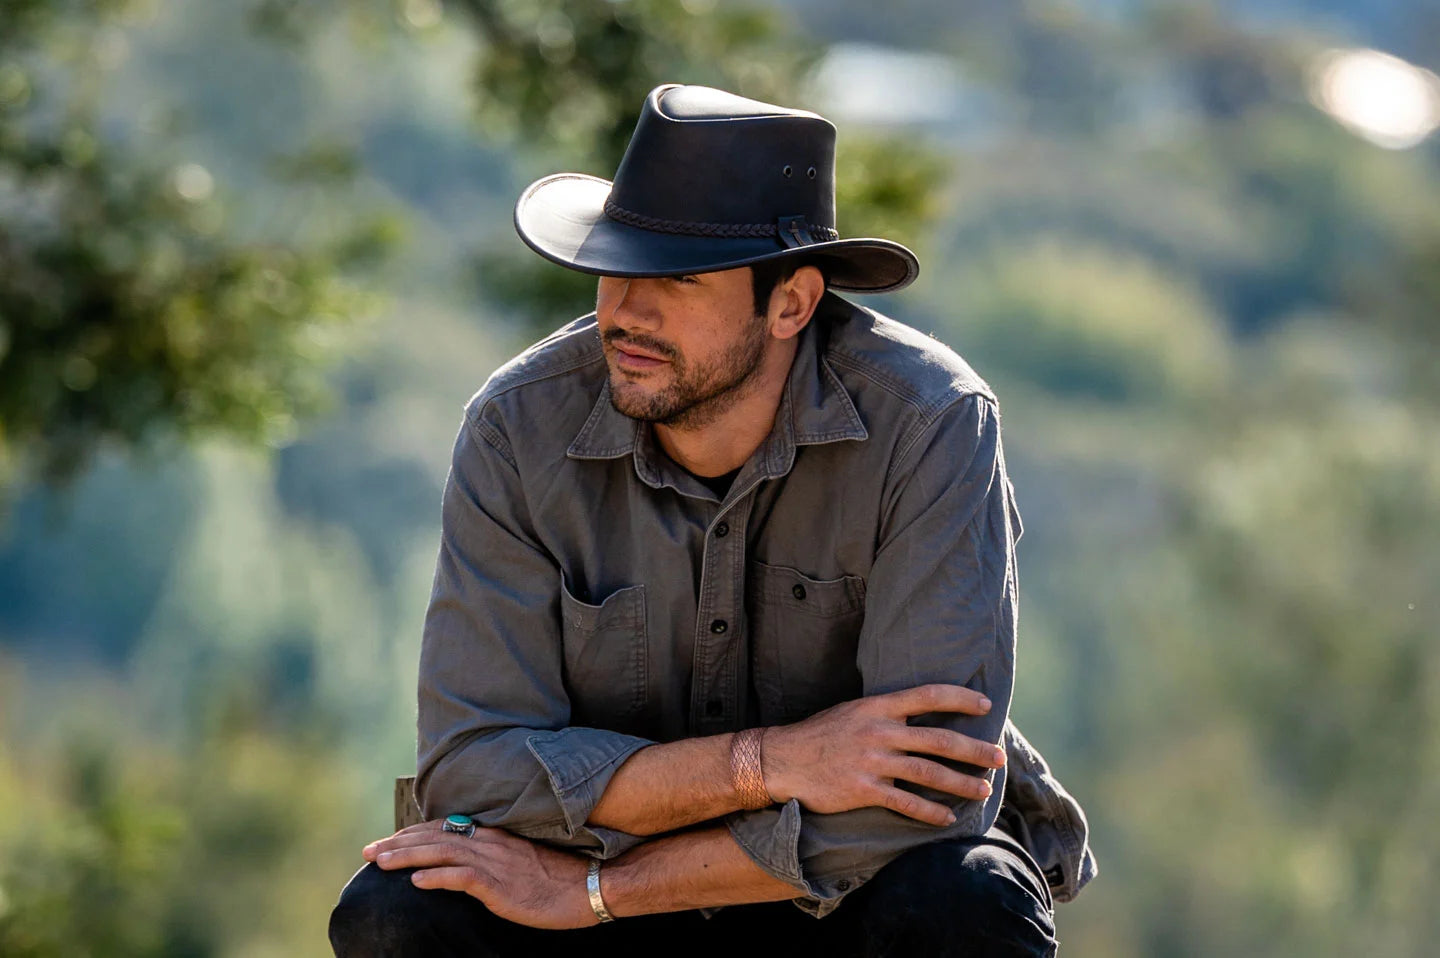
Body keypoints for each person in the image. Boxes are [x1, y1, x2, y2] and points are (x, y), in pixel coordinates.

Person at [329, 84, 1096, 957]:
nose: (626, 311)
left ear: (792, 304)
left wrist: (600, 894)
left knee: (964, 902)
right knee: (400, 909)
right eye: (618, 266)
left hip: (828, 891)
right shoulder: (515, 429)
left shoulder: (931, 422)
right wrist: (769, 762)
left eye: (677, 279)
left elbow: (924, 798)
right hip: (587, 863)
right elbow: (473, 771)